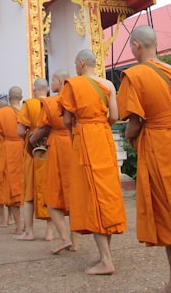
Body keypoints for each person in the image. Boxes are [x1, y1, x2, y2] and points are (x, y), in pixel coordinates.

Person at [118, 26, 171, 293]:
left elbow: (133, 124)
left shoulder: (134, 76)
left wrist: (134, 138)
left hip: (157, 146)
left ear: (136, 46)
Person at [59, 49, 125, 276]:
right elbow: (115, 117)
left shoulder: (73, 85)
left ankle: (106, 260)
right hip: (104, 138)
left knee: (91, 193)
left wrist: (79, 127)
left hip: (85, 137)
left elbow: (67, 119)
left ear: (80, 63)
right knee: (106, 191)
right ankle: (105, 254)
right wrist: (99, 122)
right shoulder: (108, 86)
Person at [30, 71, 79, 255]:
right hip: (75, 145)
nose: (52, 84)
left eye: (53, 81)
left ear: (60, 82)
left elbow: (40, 130)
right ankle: (74, 242)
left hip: (58, 147)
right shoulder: (77, 101)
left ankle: (64, 237)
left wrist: (31, 141)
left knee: (52, 196)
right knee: (74, 194)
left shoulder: (51, 103)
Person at [15, 77, 50, 240]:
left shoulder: (29, 104)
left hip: (33, 150)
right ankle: (50, 232)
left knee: (29, 191)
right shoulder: (54, 103)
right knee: (49, 189)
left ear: (34, 90)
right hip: (50, 149)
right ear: (48, 89)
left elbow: (20, 131)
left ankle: (29, 231)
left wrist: (30, 136)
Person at [0, 89, 25, 231]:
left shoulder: (3, 113)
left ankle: (19, 226)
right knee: (28, 185)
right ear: (21, 97)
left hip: (9, 150)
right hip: (26, 148)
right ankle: (29, 226)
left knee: (12, 187)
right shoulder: (27, 109)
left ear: (9, 97)